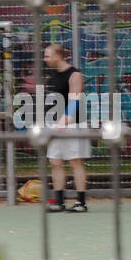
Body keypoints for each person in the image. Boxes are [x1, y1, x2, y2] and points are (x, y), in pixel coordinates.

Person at [44, 43, 88, 212]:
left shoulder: (74, 74)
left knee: (75, 162)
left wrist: (63, 122)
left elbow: (75, 100)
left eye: (48, 56)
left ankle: (81, 203)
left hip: (73, 124)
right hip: (56, 125)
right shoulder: (52, 75)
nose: (45, 59)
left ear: (58, 56)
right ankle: (59, 202)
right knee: (54, 161)